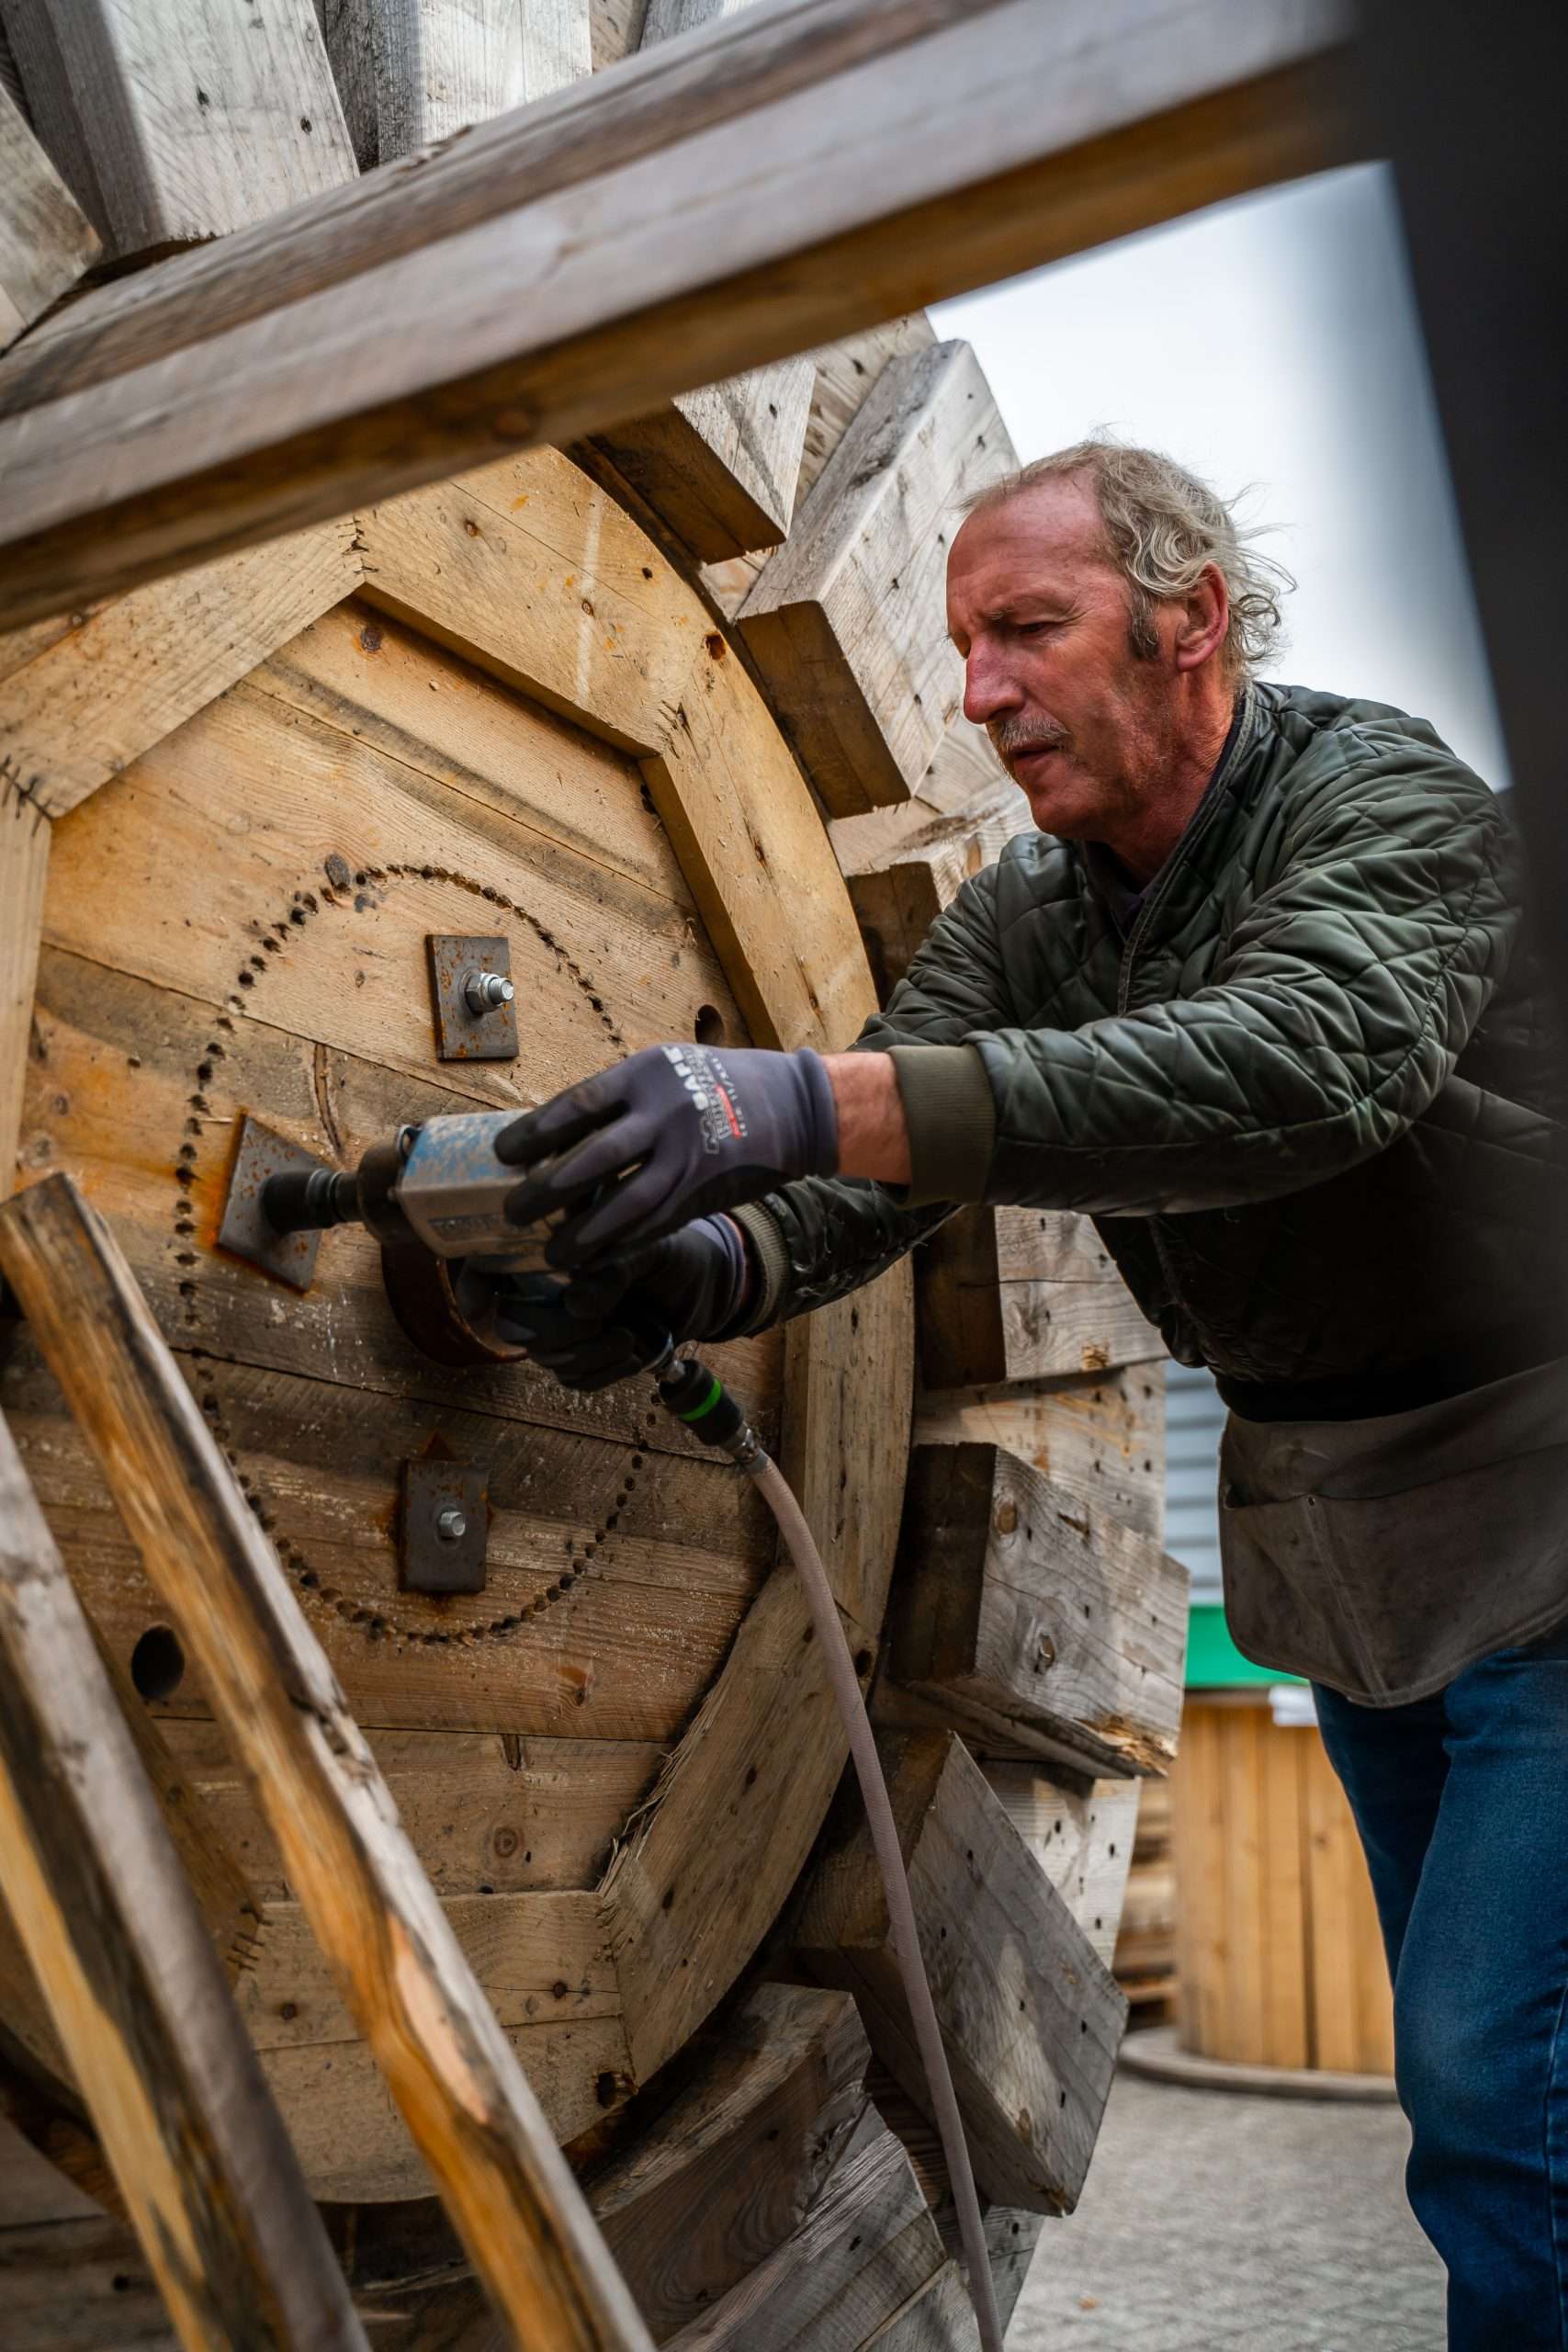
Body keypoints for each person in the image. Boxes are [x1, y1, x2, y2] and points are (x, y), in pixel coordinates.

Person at [492, 440, 1568, 2347]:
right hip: (1357, 1550)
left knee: (1499, 2081)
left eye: (1026, 630)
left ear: (1190, 625)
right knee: (1492, 2074)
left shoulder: (1379, 801)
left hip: (1546, 1509)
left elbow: (1301, 1067)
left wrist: (789, 1096)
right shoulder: (1033, 914)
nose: (978, 690)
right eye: (960, 643)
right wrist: (701, 1265)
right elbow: (876, 1162)